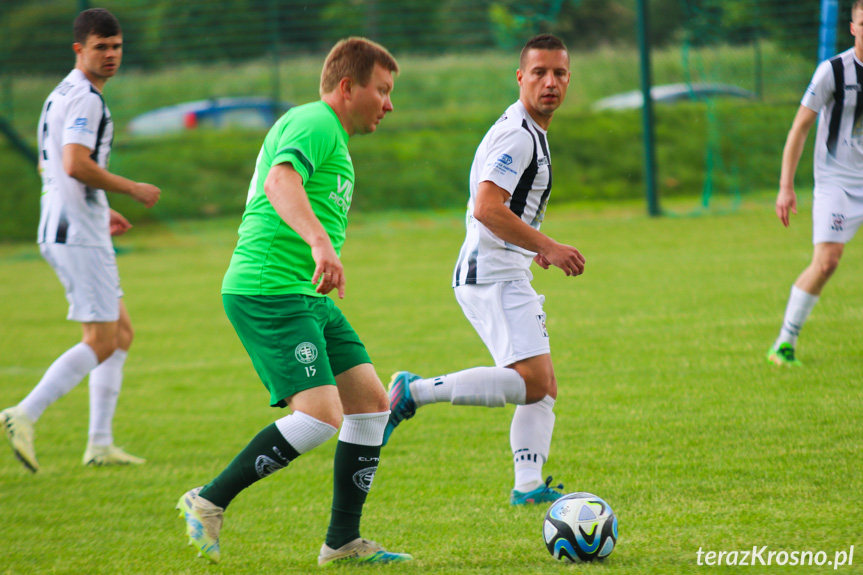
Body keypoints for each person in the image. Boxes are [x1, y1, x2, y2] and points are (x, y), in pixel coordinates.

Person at [176, 37, 411, 567]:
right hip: (269, 290)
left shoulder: (330, 135)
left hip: (305, 294)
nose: (389, 104)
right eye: (382, 90)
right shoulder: (315, 121)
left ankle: (343, 541)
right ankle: (208, 501)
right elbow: (281, 180)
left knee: (372, 404)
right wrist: (320, 244)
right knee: (321, 416)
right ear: (348, 87)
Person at [383, 34, 585, 506]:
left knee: (543, 386)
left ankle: (528, 487)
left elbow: (503, 210)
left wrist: (528, 244)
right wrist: (548, 246)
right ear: (521, 77)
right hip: (492, 275)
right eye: (539, 73)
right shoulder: (519, 134)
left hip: (501, 268)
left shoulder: (529, 129)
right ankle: (413, 392)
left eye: (559, 73)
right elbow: (486, 208)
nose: (550, 82)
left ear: (569, 78)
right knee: (534, 382)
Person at [1, 8, 160, 473]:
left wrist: (98, 204)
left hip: (71, 224)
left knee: (121, 333)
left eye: (116, 47)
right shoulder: (88, 98)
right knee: (101, 338)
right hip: (77, 235)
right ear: (79, 49)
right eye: (101, 48)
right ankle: (23, 413)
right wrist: (129, 188)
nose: (111, 55)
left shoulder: (59, 95)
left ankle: (99, 443)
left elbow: (49, 165)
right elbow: (73, 163)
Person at [767, 1, 863, 367]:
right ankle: (784, 342)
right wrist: (785, 186)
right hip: (837, 181)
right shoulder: (834, 71)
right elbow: (800, 127)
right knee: (826, 263)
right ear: (853, 28)